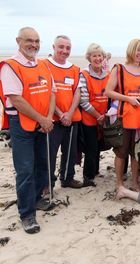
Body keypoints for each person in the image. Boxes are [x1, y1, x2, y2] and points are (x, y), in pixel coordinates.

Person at [0, 27, 55, 234]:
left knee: (42, 165)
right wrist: (42, 118)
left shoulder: (42, 65)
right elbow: (16, 99)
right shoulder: (10, 66)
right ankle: (27, 214)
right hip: (22, 125)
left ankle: (38, 199)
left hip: (43, 124)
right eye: (29, 40)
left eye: (37, 40)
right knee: (25, 170)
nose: (34, 44)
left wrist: (48, 118)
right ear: (18, 41)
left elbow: (51, 92)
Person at [105, 39, 140, 196]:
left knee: (136, 154)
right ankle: (119, 183)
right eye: (137, 50)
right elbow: (108, 91)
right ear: (131, 50)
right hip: (124, 118)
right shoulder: (119, 69)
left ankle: (134, 183)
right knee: (121, 152)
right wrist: (128, 99)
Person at [44, 35, 82, 189]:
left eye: (68, 48)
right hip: (52, 118)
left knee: (70, 152)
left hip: (71, 118)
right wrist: (61, 114)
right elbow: (45, 92)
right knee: (49, 154)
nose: (64, 51)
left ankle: (67, 178)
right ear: (53, 47)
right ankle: (47, 183)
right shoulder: (44, 65)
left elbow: (77, 92)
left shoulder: (74, 69)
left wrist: (70, 113)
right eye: (61, 47)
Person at [79, 43, 110, 187]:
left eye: (100, 56)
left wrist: (106, 116)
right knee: (91, 147)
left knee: (99, 145)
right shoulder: (84, 74)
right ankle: (88, 176)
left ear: (103, 58)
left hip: (104, 118)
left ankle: (96, 170)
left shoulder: (107, 75)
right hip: (89, 118)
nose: (97, 58)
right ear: (89, 57)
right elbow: (83, 101)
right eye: (94, 56)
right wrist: (98, 116)